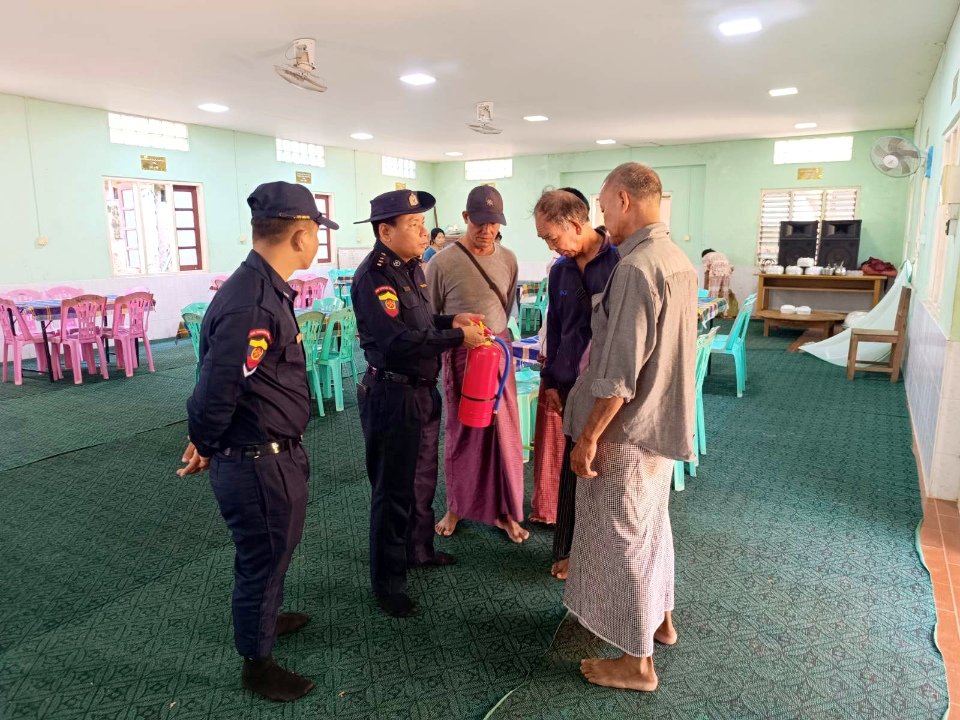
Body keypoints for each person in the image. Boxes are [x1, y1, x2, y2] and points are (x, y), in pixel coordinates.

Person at [178, 181, 338, 702]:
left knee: (273, 551)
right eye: (316, 233)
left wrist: (208, 439)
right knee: (262, 559)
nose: (317, 242)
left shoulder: (263, 288)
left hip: (268, 454)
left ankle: (266, 619)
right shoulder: (252, 302)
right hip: (256, 462)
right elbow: (216, 389)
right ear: (301, 236)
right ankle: (257, 662)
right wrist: (205, 441)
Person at [563, 163, 698, 692]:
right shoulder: (675, 258)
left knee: (624, 537)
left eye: (603, 206)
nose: (602, 218)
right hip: (659, 423)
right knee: (652, 527)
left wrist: (590, 436)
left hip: (627, 431)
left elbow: (620, 371)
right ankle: (660, 620)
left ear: (624, 199)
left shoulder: (637, 266)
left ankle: (638, 663)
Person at [351, 190, 486, 618]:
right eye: (413, 224)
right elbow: (396, 341)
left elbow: (422, 323)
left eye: (423, 222)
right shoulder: (375, 277)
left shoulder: (412, 268)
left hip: (422, 392)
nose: (423, 230)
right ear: (385, 231)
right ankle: (388, 583)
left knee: (422, 480)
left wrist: (452, 320)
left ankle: (419, 549)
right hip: (392, 394)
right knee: (393, 490)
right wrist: (457, 337)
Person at [426, 185, 528, 543]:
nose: (487, 231)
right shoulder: (441, 263)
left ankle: (507, 512)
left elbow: (507, 305)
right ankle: (457, 506)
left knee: (505, 434)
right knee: (463, 433)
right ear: (466, 217)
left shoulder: (509, 259)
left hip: (499, 355)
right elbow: (430, 316)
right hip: (462, 358)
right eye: (480, 222)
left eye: (494, 224)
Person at [530, 188, 619, 586]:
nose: (551, 246)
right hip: (569, 385)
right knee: (572, 468)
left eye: (552, 237)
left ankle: (594, 554)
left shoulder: (619, 262)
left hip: (606, 387)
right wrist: (549, 379)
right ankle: (568, 549)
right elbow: (556, 327)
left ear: (575, 224)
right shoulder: (560, 270)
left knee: (601, 470)